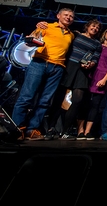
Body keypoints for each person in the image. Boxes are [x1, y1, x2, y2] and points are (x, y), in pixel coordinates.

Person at [11, 8, 75, 140]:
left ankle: (31, 130)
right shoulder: (46, 26)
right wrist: (38, 28)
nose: (68, 17)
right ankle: (17, 128)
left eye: (71, 16)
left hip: (58, 68)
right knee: (26, 96)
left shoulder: (71, 34)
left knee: (45, 101)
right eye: (66, 15)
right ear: (58, 16)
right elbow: (31, 39)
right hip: (39, 63)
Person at [58, 19, 103, 140]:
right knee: (58, 98)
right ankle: (52, 128)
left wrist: (91, 64)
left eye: (97, 28)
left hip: (83, 71)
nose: (95, 29)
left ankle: (65, 130)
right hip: (69, 67)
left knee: (77, 100)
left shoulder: (97, 44)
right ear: (88, 26)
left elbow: (95, 58)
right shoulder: (76, 35)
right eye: (93, 26)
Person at [77, 28, 107, 140]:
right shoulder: (97, 45)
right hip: (89, 75)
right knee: (83, 103)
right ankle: (80, 131)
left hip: (102, 78)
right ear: (105, 34)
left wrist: (104, 80)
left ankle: (87, 131)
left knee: (96, 106)